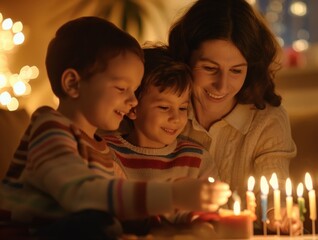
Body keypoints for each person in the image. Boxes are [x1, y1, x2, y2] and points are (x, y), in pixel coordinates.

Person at [0, 16, 230, 239]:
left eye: (135, 90)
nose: (133, 101)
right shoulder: (50, 130)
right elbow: (82, 195)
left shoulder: (101, 147)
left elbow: (120, 207)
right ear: (73, 83)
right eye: (122, 89)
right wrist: (172, 195)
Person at [168, 0, 301, 235]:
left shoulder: (267, 120)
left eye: (236, 70)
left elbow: (273, 189)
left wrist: (277, 212)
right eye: (210, 68)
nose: (222, 85)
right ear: (185, 58)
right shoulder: (162, 111)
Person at [103, 45, 219, 183]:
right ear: (133, 109)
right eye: (164, 107)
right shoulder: (105, 152)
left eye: (182, 108)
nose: (176, 118)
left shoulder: (196, 160)